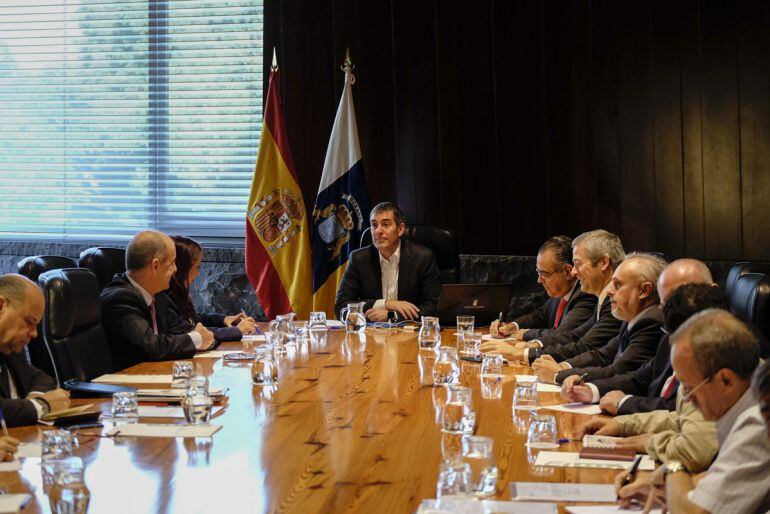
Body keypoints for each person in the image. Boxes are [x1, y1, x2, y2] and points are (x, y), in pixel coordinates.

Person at [614, 309, 770, 513]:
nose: (686, 398)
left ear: (726, 380)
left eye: (689, 387)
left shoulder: (759, 420)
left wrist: (673, 469)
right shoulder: (740, 404)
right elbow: (727, 476)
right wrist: (662, 482)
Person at [576, 284, 730, 473]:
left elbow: (693, 453)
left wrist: (651, 445)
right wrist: (622, 425)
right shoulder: (706, 356)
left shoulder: (715, 365)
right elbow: (682, 418)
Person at [563, 259, 719, 414]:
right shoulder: (672, 327)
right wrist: (591, 390)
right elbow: (642, 377)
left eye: (683, 296)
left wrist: (624, 403)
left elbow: (681, 410)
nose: (672, 309)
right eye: (667, 302)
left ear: (712, 291)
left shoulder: (721, 344)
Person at [481, 229, 624, 363]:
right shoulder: (603, 299)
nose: (574, 272)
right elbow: (574, 336)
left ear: (603, 263)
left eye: (578, 264)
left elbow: (585, 347)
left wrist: (525, 352)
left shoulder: (610, 301)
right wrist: (519, 336)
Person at [533, 252, 665, 384]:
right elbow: (602, 355)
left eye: (618, 285)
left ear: (644, 290)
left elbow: (617, 371)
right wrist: (563, 366)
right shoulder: (632, 317)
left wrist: (558, 374)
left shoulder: (651, 322)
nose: (609, 291)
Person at [101, 230, 215, 370]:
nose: (175, 269)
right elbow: (150, 346)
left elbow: (179, 330)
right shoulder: (120, 298)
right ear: (155, 266)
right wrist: (197, 338)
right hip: (126, 385)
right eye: (172, 263)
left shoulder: (157, 295)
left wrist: (203, 335)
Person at [334, 202, 441, 322]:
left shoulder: (422, 258)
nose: (378, 231)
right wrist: (386, 304)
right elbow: (341, 306)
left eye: (385, 224)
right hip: (371, 334)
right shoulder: (358, 259)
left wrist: (391, 315)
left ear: (400, 229)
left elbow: (434, 307)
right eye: (374, 225)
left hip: (410, 333)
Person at [489, 235, 596, 341]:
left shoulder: (586, 296)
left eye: (544, 274)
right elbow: (540, 316)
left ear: (568, 272)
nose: (539, 280)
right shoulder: (560, 291)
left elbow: (562, 333)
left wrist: (526, 334)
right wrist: (512, 326)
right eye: (538, 272)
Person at [0, 274, 70, 427]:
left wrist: (36, 398)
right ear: (1, 306)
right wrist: (40, 406)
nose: (34, 333)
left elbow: (41, 378)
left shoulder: (9, 346)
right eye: (29, 322)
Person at [166, 236, 256, 342]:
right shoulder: (164, 298)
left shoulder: (177, 293)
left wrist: (224, 319)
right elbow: (190, 333)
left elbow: (194, 320)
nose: (198, 273)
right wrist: (236, 331)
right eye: (197, 267)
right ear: (183, 268)